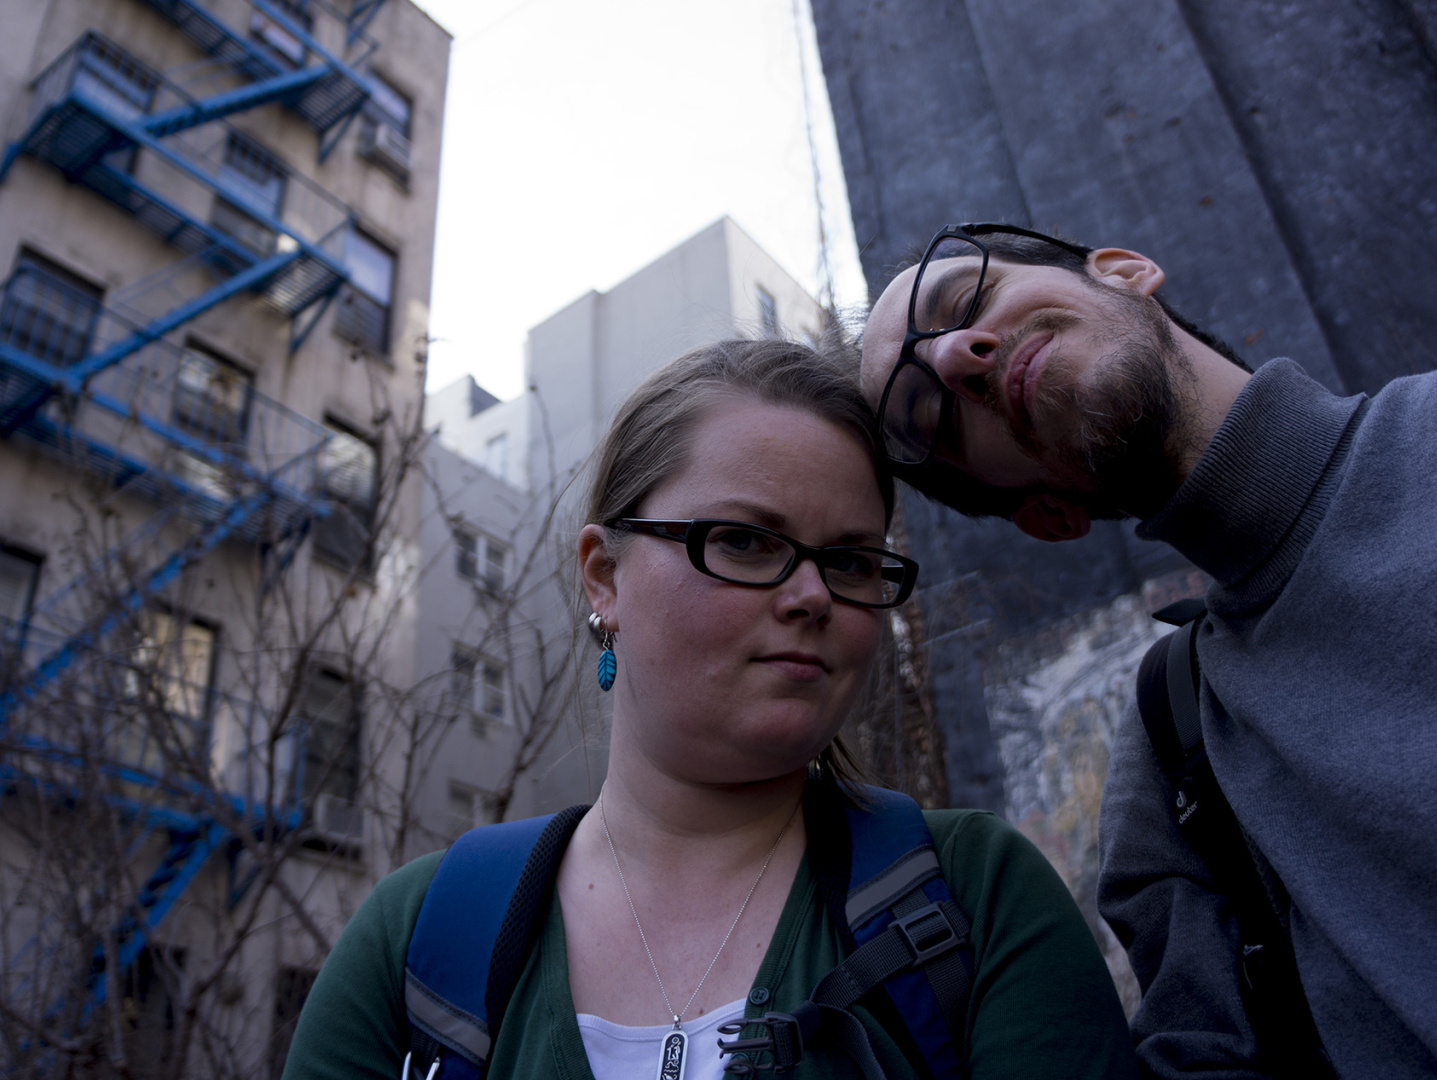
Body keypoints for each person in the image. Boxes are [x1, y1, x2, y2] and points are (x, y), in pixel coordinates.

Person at [857, 224, 1437, 1079]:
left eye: (965, 300)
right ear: (1046, 517)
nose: (960, 353)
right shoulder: (1177, 752)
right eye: (928, 413)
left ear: (1124, 270)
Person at [280, 338, 1136, 1080]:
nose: (811, 595)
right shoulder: (420, 939)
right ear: (604, 576)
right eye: (744, 541)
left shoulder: (976, 897)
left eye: (850, 561)